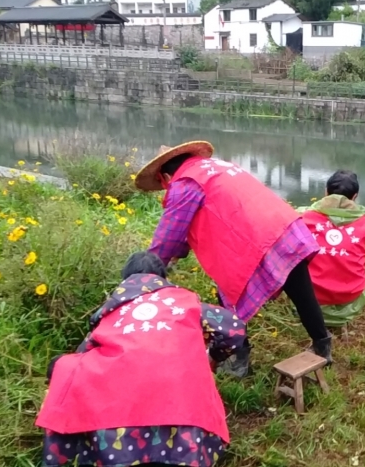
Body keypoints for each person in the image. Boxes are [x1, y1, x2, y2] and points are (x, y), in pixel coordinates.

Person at [134, 141, 332, 377]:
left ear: (166, 175)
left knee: (230, 295)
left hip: (255, 240)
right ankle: (322, 345)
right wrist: (179, 252)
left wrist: (146, 275)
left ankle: (239, 360)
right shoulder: (218, 167)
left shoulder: (184, 183)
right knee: (301, 288)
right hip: (285, 227)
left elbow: (168, 236)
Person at [36, 252, 245, 467]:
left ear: (125, 279)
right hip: (182, 410)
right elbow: (235, 329)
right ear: (162, 278)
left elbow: (84, 355)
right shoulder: (185, 300)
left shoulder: (113, 310)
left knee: (65, 367)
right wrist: (212, 359)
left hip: (118, 420)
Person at [296, 170, 365, 329]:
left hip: (310, 294)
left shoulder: (302, 216)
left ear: (325, 192)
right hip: (351, 294)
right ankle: (340, 318)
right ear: (355, 197)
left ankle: (308, 316)